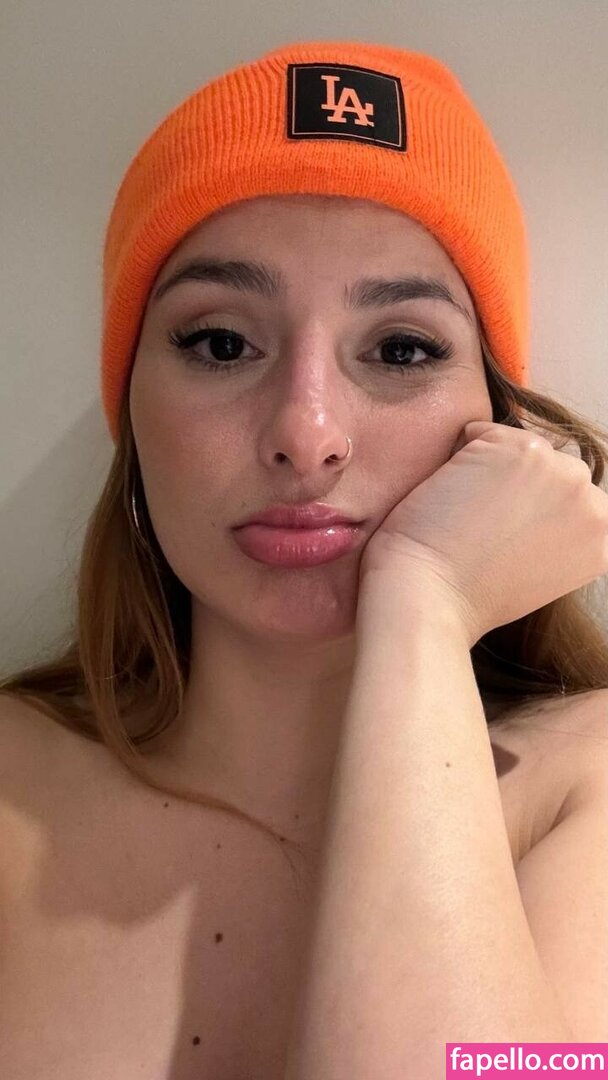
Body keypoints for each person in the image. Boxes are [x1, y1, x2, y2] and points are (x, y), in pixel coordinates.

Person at [1, 39, 607, 1079]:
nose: (307, 433)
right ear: (131, 410)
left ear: (497, 422)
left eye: (403, 349)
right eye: (220, 343)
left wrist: (423, 607)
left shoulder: (587, 782)